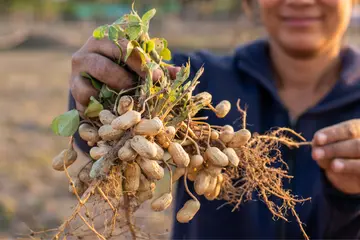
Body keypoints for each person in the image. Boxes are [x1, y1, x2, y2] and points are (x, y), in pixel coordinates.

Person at [69, 0, 360, 238]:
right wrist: (100, 89)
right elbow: (102, 143)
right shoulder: (193, 82)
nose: (300, 1)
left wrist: (350, 198)